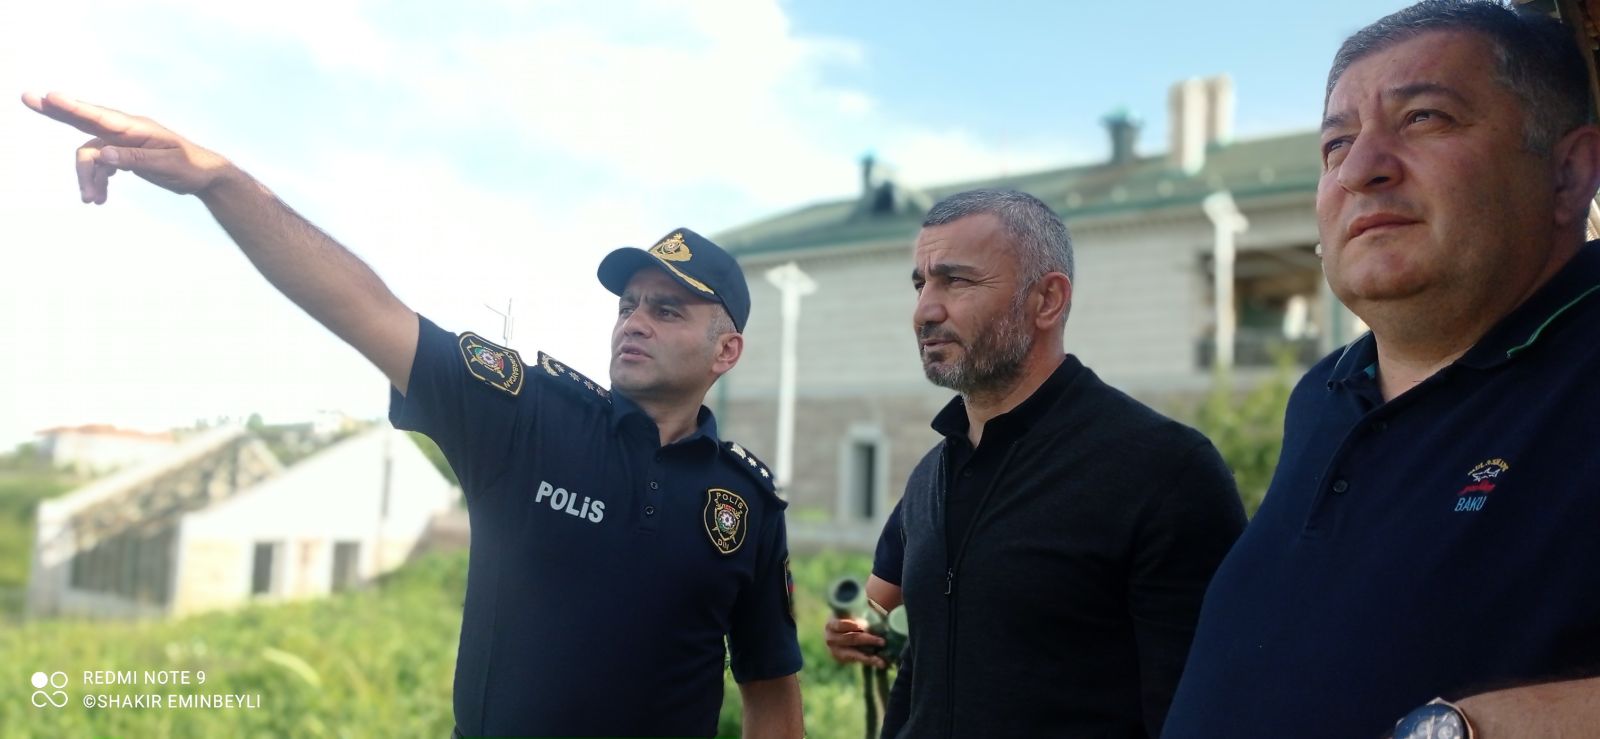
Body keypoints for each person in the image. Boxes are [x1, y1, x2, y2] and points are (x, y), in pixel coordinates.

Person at [22, 93, 803, 738]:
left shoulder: (746, 507)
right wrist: (217, 181)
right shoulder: (527, 418)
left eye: (666, 309)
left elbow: (771, 693)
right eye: (628, 304)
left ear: (725, 349)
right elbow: (366, 308)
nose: (634, 321)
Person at [1161, 3, 1600, 737]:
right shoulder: (1324, 393)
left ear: (1568, 173)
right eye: (1336, 144)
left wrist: (1469, 729)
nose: (1360, 169)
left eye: (1424, 117)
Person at [825, 188, 1247, 737]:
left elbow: (1202, 711)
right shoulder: (932, 476)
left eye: (956, 281)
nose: (925, 310)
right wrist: (859, 632)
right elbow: (917, 662)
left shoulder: (1166, 473)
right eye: (920, 283)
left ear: (1047, 299)